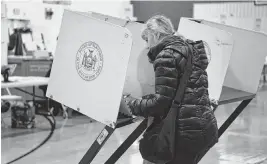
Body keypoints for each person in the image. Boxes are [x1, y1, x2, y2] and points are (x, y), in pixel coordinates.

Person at [124, 15, 218, 164]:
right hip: (205, 127)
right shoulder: (191, 49)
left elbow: (160, 104)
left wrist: (130, 103)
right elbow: (180, 90)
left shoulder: (166, 55)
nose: (147, 46)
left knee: (150, 155)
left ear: (155, 34)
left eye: (147, 40)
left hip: (184, 133)